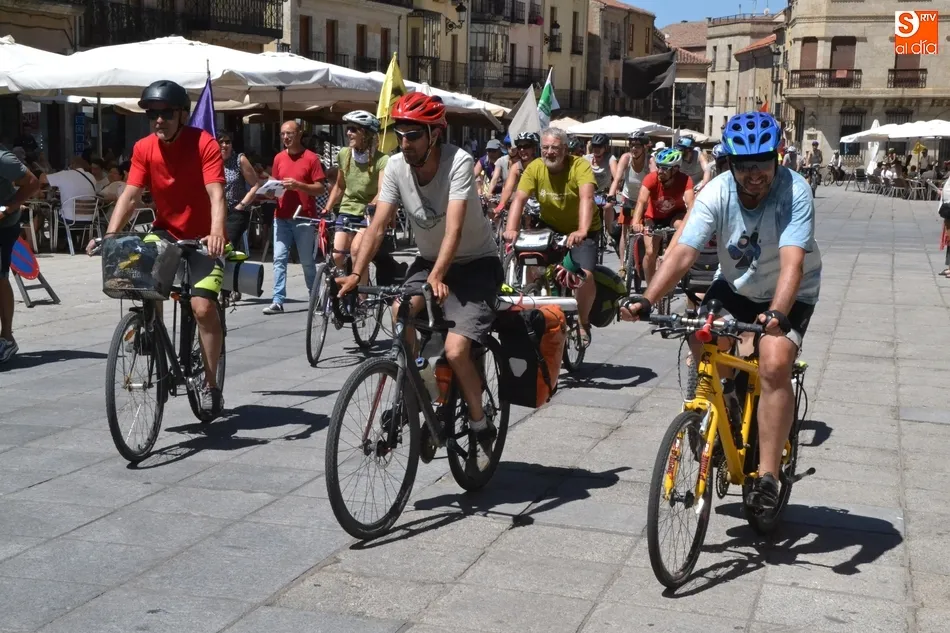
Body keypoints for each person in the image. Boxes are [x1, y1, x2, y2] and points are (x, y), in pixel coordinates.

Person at [621, 111, 822, 513]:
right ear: (729, 162)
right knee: (701, 333)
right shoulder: (716, 192)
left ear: (776, 158)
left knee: (773, 361)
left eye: (763, 163)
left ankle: (767, 476)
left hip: (789, 292)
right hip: (735, 286)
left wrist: (778, 314)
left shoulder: (794, 192)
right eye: (744, 165)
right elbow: (682, 252)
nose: (754, 174)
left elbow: (792, 264)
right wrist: (646, 298)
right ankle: (725, 403)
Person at [336, 93, 502, 475]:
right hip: (429, 261)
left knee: (458, 350)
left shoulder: (457, 162)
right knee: (399, 311)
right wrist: (357, 273)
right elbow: (377, 225)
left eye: (413, 135)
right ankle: (420, 392)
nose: (405, 143)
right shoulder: (394, 167)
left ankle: (480, 422)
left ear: (434, 135)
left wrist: (438, 277)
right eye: (400, 135)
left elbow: (456, 229)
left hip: (475, 263)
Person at [89, 80, 228, 416]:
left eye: (165, 113)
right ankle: (149, 327)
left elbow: (216, 194)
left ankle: (210, 385)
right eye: (152, 113)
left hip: (202, 237)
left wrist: (216, 232)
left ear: (181, 114)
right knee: (141, 277)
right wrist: (110, 235)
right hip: (165, 232)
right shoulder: (145, 148)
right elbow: (131, 195)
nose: (158, 119)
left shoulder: (203, 143)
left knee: (202, 308)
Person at [504, 126, 599, 346]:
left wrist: (582, 230)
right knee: (532, 265)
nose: (549, 152)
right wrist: (511, 228)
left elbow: (587, 198)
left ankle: (583, 322)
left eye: (555, 148)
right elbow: (519, 199)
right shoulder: (535, 168)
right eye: (545, 148)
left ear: (565, 149)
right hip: (549, 226)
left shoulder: (580, 166)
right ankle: (536, 309)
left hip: (582, 228)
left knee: (585, 275)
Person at [262, 121, 326, 315]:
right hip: (281, 216)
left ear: (299, 134)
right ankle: (278, 300)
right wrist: (271, 193)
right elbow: (275, 184)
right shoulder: (279, 158)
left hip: (304, 217)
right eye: (282, 134)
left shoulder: (311, 158)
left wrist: (299, 185)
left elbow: (321, 188)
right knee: (279, 258)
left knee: (306, 261)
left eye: (289, 134)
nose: (285, 138)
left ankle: (314, 297)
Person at [321, 110, 387, 272]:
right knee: (337, 255)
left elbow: (383, 191)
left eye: (353, 129)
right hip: (347, 210)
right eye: (347, 129)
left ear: (366, 133)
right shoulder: (344, 154)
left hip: (368, 214)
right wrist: (327, 208)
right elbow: (340, 186)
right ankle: (345, 291)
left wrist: (372, 205)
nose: (348, 133)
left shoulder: (382, 160)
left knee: (358, 252)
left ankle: (362, 296)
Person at [628, 148, 695, 284]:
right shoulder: (651, 178)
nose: (660, 171)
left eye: (664, 168)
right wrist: (636, 222)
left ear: (675, 169)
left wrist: (692, 224)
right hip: (653, 217)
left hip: (675, 215)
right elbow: (641, 201)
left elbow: (690, 203)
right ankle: (650, 286)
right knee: (650, 252)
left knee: (681, 226)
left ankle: (674, 262)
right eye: (659, 167)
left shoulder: (685, 180)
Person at [0, 148, 40, 363]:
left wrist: (8, 208)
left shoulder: (2, 159)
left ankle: (6, 337)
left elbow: (32, 183)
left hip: (3, 224)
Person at [608, 131, 653, 269]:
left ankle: (648, 260)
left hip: (645, 200)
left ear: (645, 147)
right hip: (629, 198)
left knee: (648, 229)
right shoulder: (626, 158)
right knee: (625, 231)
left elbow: (655, 179)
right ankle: (622, 266)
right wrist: (611, 195)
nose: (634, 148)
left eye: (637, 146)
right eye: (632, 145)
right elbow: (617, 178)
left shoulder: (650, 161)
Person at [493, 132, 539, 215]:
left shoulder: (541, 165)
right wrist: (501, 206)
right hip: (524, 204)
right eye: (520, 147)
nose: (522, 150)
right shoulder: (516, 167)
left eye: (526, 146)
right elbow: (508, 189)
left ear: (534, 149)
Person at [42, 157, 99, 223]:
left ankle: (58, 233)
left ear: (72, 164)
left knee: (53, 212)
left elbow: (43, 179)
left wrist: (43, 172)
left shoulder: (64, 174)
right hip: (91, 218)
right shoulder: (91, 177)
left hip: (70, 218)